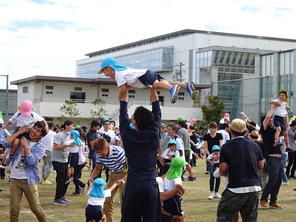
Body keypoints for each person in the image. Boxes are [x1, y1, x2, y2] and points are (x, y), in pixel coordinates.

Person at [119, 85, 161, 222]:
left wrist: (123, 85)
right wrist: (153, 87)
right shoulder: (154, 134)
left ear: (135, 122)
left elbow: (123, 105)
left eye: (133, 118)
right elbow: (156, 107)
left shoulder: (127, 134)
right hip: (150, 185)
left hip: (133, 185)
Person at [217, 119, 264, 222]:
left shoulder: (226, 147)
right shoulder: (255, 145)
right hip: (254, 188)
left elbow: (223, 170)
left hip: (235, 188)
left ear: (230, 130)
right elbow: (261, 166)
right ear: (245, 131)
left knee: (224, 217)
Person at [98, 57, 198, 104]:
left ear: (109, 68)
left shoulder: (118, 74)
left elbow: (123, 89)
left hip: (144, 76)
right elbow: (130, 83)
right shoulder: (123, 70)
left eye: (104, 72)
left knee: (156, 84)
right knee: (165, 83)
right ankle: (186, 85)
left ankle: (172, 89)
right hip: (146, 74)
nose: (106, 75)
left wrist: (120, 99)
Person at [7, 121, 47, 222]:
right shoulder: (21, 137)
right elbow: (7, 142)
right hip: (14, 179)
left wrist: (26, 146)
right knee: (14, 210)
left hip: (29, 181)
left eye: (38, 131)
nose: (34, 131)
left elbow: (31, 161)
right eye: (34, 128)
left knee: (36, 209)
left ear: (41, 136)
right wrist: (18, 132)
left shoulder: (40, 147)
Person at [89, 138, 127, 222]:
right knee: (106, 202)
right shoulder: (99, 154)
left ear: (106, 148)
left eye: (101, 152)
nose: (99, 154)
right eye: (97, 152)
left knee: (124, 203)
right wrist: (91, 177)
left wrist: (123, 180)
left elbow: (130, 167)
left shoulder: (118, 152)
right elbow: (97, 168)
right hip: (112, 175)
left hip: (124, 174)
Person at [4, 100, 46, 167]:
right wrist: (5, 126)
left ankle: (22, 159)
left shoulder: (34, 115)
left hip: (27, 131)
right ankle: (10, 156)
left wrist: (46, 128)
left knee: (23, 144)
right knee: (15, 143)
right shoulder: (18, 114)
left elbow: (42, 120)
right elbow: (11, 120)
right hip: (19, 130)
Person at [260, 108, 284, 209]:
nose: (271, 120)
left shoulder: (275, 130)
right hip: (271, 158)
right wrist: (274, 107)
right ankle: (263, 199)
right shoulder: (264, 130)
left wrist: (284, 111)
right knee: (273, 179)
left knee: (278, 181)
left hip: (279, 159)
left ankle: (273, 201)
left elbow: (284, 124)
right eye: (269, 120)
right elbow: (267, 117)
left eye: (271, 120)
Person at [51, 120, 75, 206]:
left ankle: (61, 196)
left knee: (66, 179)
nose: (74, 127)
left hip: (64, 160)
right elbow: (56, 147)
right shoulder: (59, 135)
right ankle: (57, 198)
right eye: (72, 125)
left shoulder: (70, 136)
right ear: (67, 126)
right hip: (57, 160)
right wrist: (67, 145)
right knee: (61, 180)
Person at [163, 157, 187, 222]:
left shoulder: (168, 174)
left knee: (172, 214)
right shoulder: (176, 174)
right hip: (173, 198)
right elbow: (177, 185)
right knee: (179, 216)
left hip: (166, 198)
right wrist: (183, 191)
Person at [73, 128, 87, 195]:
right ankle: (77, 191)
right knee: (76, 176)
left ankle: (83, 185)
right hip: (82, 160)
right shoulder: (83, 140)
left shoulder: (76, 141)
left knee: (74, 177)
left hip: (78, 161)